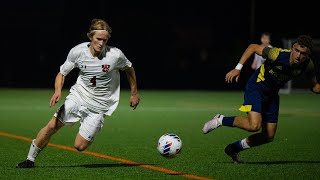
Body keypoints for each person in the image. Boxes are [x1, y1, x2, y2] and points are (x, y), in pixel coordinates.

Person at [16, 18, 140, 168]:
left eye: (105, 40)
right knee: (51, 126)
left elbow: (129, 68)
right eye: (98, 39)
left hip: (99, 106)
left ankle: (90, 127)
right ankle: (30, 160)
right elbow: (62, 73)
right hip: (78, 96)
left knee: (79, 146)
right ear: (90, 37)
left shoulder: (115, 55)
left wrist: (134, 93)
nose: (101, 43)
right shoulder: (77, 52)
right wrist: (57, 91)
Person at [202, 35, 320, 163]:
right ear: (292, 48)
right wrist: (237, 69)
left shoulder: (308, 65)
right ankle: (221, 119)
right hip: (257, 87)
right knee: (254, 125)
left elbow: (314, 86)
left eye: (303, 53)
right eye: (297, 50)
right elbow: (252, 47)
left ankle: (233, 148)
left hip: (272, 94)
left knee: (268, 136)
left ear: (308, 55)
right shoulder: (277, 54)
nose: (298, 55)